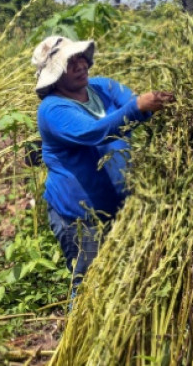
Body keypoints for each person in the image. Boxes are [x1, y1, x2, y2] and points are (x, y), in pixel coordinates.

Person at [31, 36, 173, 297]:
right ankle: (76, 335)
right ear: (54, 75)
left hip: (121, 209)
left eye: (81, 57)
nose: (80, 64)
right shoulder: (52, 110)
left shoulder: (101, 87)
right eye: (69, 61)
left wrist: (153, 104)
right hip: (81, 219)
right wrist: (138, 107)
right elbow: (95, 132)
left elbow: (132, 103)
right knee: (89, 289)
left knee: (124, 282)